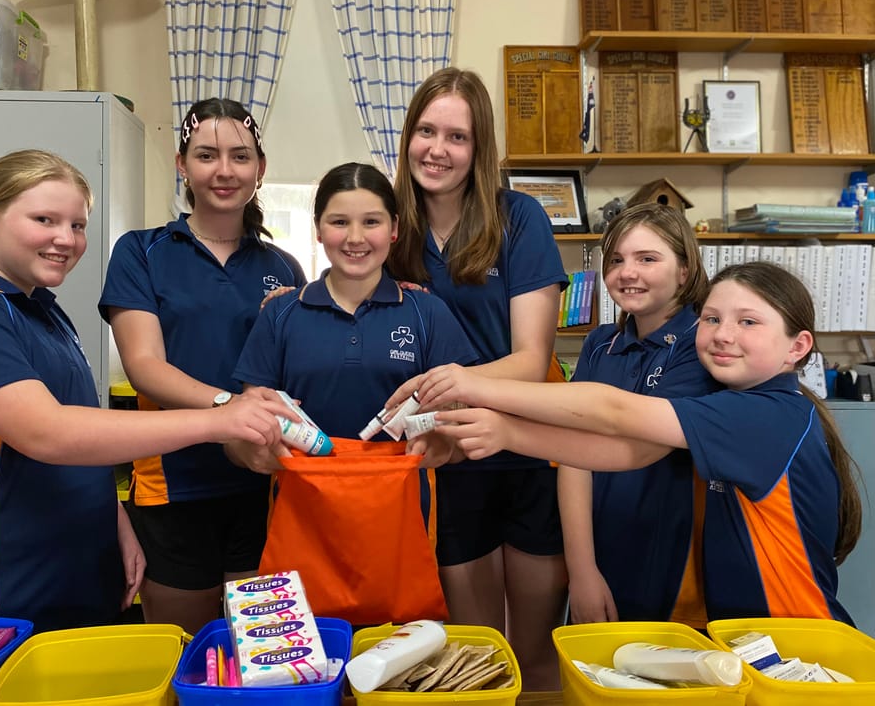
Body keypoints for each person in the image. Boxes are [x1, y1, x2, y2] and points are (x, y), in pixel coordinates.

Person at [0, 149, 291, 633]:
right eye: (45, 220)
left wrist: (115, 518)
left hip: (71, 580)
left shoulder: (43, 313)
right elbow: (46, 432)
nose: (65, 239)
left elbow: (82, 432)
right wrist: (220, 417)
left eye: (77, 225)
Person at [430, 261, 863, 625]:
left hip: (799, 647)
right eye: (712, 319)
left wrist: (476, 385)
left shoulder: (767, 415)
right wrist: (509, 434)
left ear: (798, 346)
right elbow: (630, 452)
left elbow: (614, 413)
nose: (723, 335)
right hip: (748, 643)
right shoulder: (733, 403)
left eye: (748, 322)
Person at [384, 67, 568, 689]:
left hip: (527, 450)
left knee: (536, 656)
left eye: (457, 137)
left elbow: (530, 358)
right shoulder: (392, 229)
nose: (438, 149)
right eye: (426, 131)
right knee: (475, 660)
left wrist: (446, 385)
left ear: (479, 148)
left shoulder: (520, 219)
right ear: (407, 135)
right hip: (446, 459)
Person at [98, 99, 305, 633]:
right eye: (207, 155)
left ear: (260, 168)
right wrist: (227, 409)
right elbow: (144, 366)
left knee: (259, 653)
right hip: (174, 484)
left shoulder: (282, 266)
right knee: (184, 653)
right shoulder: (141, 252)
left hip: (262, 483)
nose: (224, 170)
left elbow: (299, 370)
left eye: (240, 156)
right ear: (182, 164)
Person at [233, 161, 477, 454]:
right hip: (302, 495)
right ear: (318, 229)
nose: (355, 238)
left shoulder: (428, 313)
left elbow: (463, 422)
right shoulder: (278, 313)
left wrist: (446, 444)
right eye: (339, 222)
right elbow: (246, 429)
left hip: (403, 495)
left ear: (394, 228)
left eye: (371, 222)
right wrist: (256, 451)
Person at [558, 203, 719, 627]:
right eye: (616, 260)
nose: (628, 272)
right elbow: (573, 456)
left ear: (684, 270)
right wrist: (582, 571)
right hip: (598, 550)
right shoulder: (600, 343)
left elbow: (626, 438)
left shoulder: (701, 345)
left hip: (669, 559)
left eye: (647, 258)